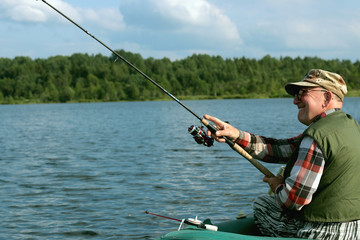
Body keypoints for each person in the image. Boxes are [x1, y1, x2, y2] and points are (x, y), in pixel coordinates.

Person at [204, 69, 360, 239]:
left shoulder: (317, 137)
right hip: (355, 230)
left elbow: (293, 201)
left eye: (302, 93)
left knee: (263, 204)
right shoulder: (352, 128)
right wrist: (236, 135)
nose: (295, 101)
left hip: (319, 233)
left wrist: (278, 185)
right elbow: (282, 149)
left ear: (327, 97)